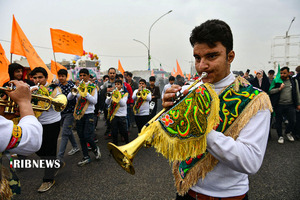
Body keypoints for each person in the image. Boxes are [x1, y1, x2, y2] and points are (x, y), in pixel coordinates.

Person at [162, 19, 272, 199]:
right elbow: (174, 143)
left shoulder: (256, 100)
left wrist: (198, 128)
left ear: (230, 57)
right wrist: (168, 116)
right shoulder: (190, 90)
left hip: (227, 196)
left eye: (211, 56)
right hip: (186, 191)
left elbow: (251, 162)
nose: (201, 66)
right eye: (198, 58)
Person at [30, 67, 62, 193]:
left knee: (49, 150)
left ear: (45, 78)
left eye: (40, 77)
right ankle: (55, 164)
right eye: (35, 77)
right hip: (37, 124)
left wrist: (46, 96)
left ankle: (48, 179)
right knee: (36, 148)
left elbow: (60, 104)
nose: (37, 80)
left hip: (52, 123)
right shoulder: (31, 89)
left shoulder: (54, 89)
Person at [68, 68, 101, 166]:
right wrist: (76, 89)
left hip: (89, 114)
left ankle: (95, 148)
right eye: (80, 76)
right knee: (81, 137)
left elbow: (94, 101)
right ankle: (86, 156)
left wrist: (85, 93)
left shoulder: (93, 87)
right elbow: (69, 97)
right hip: (79, 114)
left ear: (88, 76)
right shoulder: (77, 86)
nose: (82, 77)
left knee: (87, 135)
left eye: (84, 75)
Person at [269, 66, 300, 144]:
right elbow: (270, 91)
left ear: (288, 73)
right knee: (278, 121)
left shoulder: (293, 81)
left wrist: (298, 103)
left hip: (290, 104)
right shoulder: (277, 81)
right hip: (279, 104)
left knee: (293, 120)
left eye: (284, 73)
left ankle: (287, 132)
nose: (282, 75)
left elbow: (297, 92)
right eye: (281, 73)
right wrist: (279, 89)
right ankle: (280, 136)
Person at [56, 69, 80, 165]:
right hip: (60, 112)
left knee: (65, 133)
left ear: (66, 76)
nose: (61, 78)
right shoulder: (57, 87)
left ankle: (59, 157)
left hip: (70, 113)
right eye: (59, 76)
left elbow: (74, 97)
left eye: (63, 76)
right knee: (68, 131)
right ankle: (75, 146)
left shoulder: (71, 86)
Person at [105, 79, 129, 145]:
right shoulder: (113, 93)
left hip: (122, 115)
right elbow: (107, 102)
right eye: (115, 84)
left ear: (121, 85)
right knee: (114, 132)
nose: (116, 86)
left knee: (124, 132)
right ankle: (115, 146)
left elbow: (123, 104)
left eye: (118, 84)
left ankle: (127, 144)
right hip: (114, 115)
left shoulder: (125, 93)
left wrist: (118, 96)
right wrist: (109, 97)